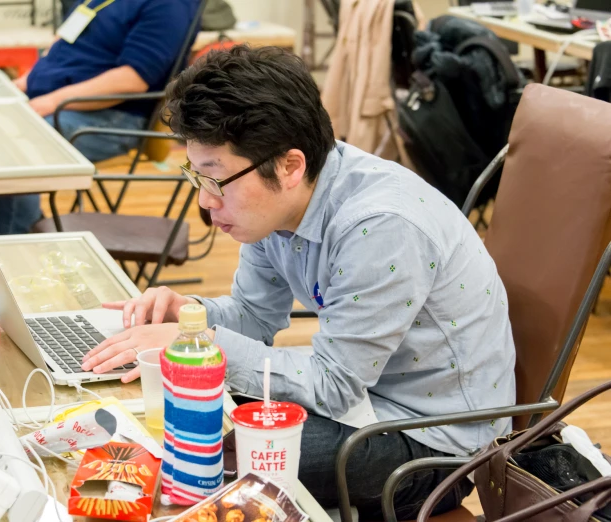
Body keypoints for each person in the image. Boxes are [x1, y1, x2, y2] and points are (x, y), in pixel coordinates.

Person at [81, 46, 516, 520]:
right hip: (361, 402)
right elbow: (252, 318)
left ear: (290, 165)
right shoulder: (276, 207)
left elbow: (334, 385)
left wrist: (202, 343)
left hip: (430, 443)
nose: (206, 203)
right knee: (179, 421)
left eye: (217, 180)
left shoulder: (382, 226)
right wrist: (186, 317)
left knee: (201, 459)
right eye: (196, 175)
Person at [0, 0, 201, 235]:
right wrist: (25, 83)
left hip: (110, 116)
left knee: (15, 148)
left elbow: (132, 79)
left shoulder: (170, 5)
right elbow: (62, 45)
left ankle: (18, 252)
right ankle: (28, 232)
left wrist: (51, 101)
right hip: (55, 101)